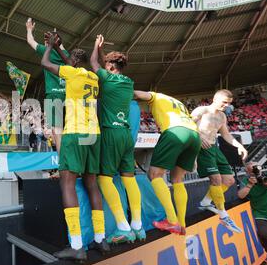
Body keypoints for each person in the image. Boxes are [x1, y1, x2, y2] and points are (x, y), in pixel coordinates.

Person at [41, 33, 109, 261]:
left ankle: (77, 245)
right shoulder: (93, 77)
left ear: (72, 63)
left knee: (67, 182)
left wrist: (50, 46)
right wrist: (61, 47)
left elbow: (44, 63)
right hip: (94, 134)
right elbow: (71, 60)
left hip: (75, 132)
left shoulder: (70, 72)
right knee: (92, 185)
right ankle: (101, 240)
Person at [90, 35, 144, 244]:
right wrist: (106, 53)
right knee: (129, 179)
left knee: (104, 179)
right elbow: (105, 64)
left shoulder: (107, 78)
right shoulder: (128, 83)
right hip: (126, 135)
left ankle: (123, 227)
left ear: (111, 67)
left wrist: (96, 46)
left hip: (111, 133)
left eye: (107, 65)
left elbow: (94, 63)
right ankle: (138, 226)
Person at [133, 90, 202, 235]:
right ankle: (182, 224)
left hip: (175, 131)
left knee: (155, 175)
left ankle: (172, 221)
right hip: (195, 136)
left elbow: (138, 94)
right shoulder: (178, 103)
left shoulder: (157, 96)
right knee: (177, 179)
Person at [191, 90, 248, 233]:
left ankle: (205, 202)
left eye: (229, 103)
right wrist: (198, 136)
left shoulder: (222, 116)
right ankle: (224, 216)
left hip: (214, 148)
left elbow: (226, 135)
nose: (227, 105)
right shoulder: (202, 110)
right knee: (216, 179)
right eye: (224, 102)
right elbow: (186, 124)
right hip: (202, 148)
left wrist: (239, 146)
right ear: (215, 99)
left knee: (229, 180)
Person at [26, 18, 68, 154]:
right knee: (69, 129)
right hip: (68, 95)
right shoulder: (66, 55)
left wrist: (29, 29)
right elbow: (61, 47)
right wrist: (57, 40)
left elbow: (30, 41)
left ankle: (63, 163)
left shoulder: (46, 51)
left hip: (52, 94)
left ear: (48, 43)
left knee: (57, 130)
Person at [238, 162, 267, 263]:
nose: (255, 170)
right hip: (259, 212)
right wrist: (250, 185)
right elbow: (241, 195)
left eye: (256, 167)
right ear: (247, 171)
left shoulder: (266, 175)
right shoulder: (246, 181)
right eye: (252, 169)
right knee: (263, 233)